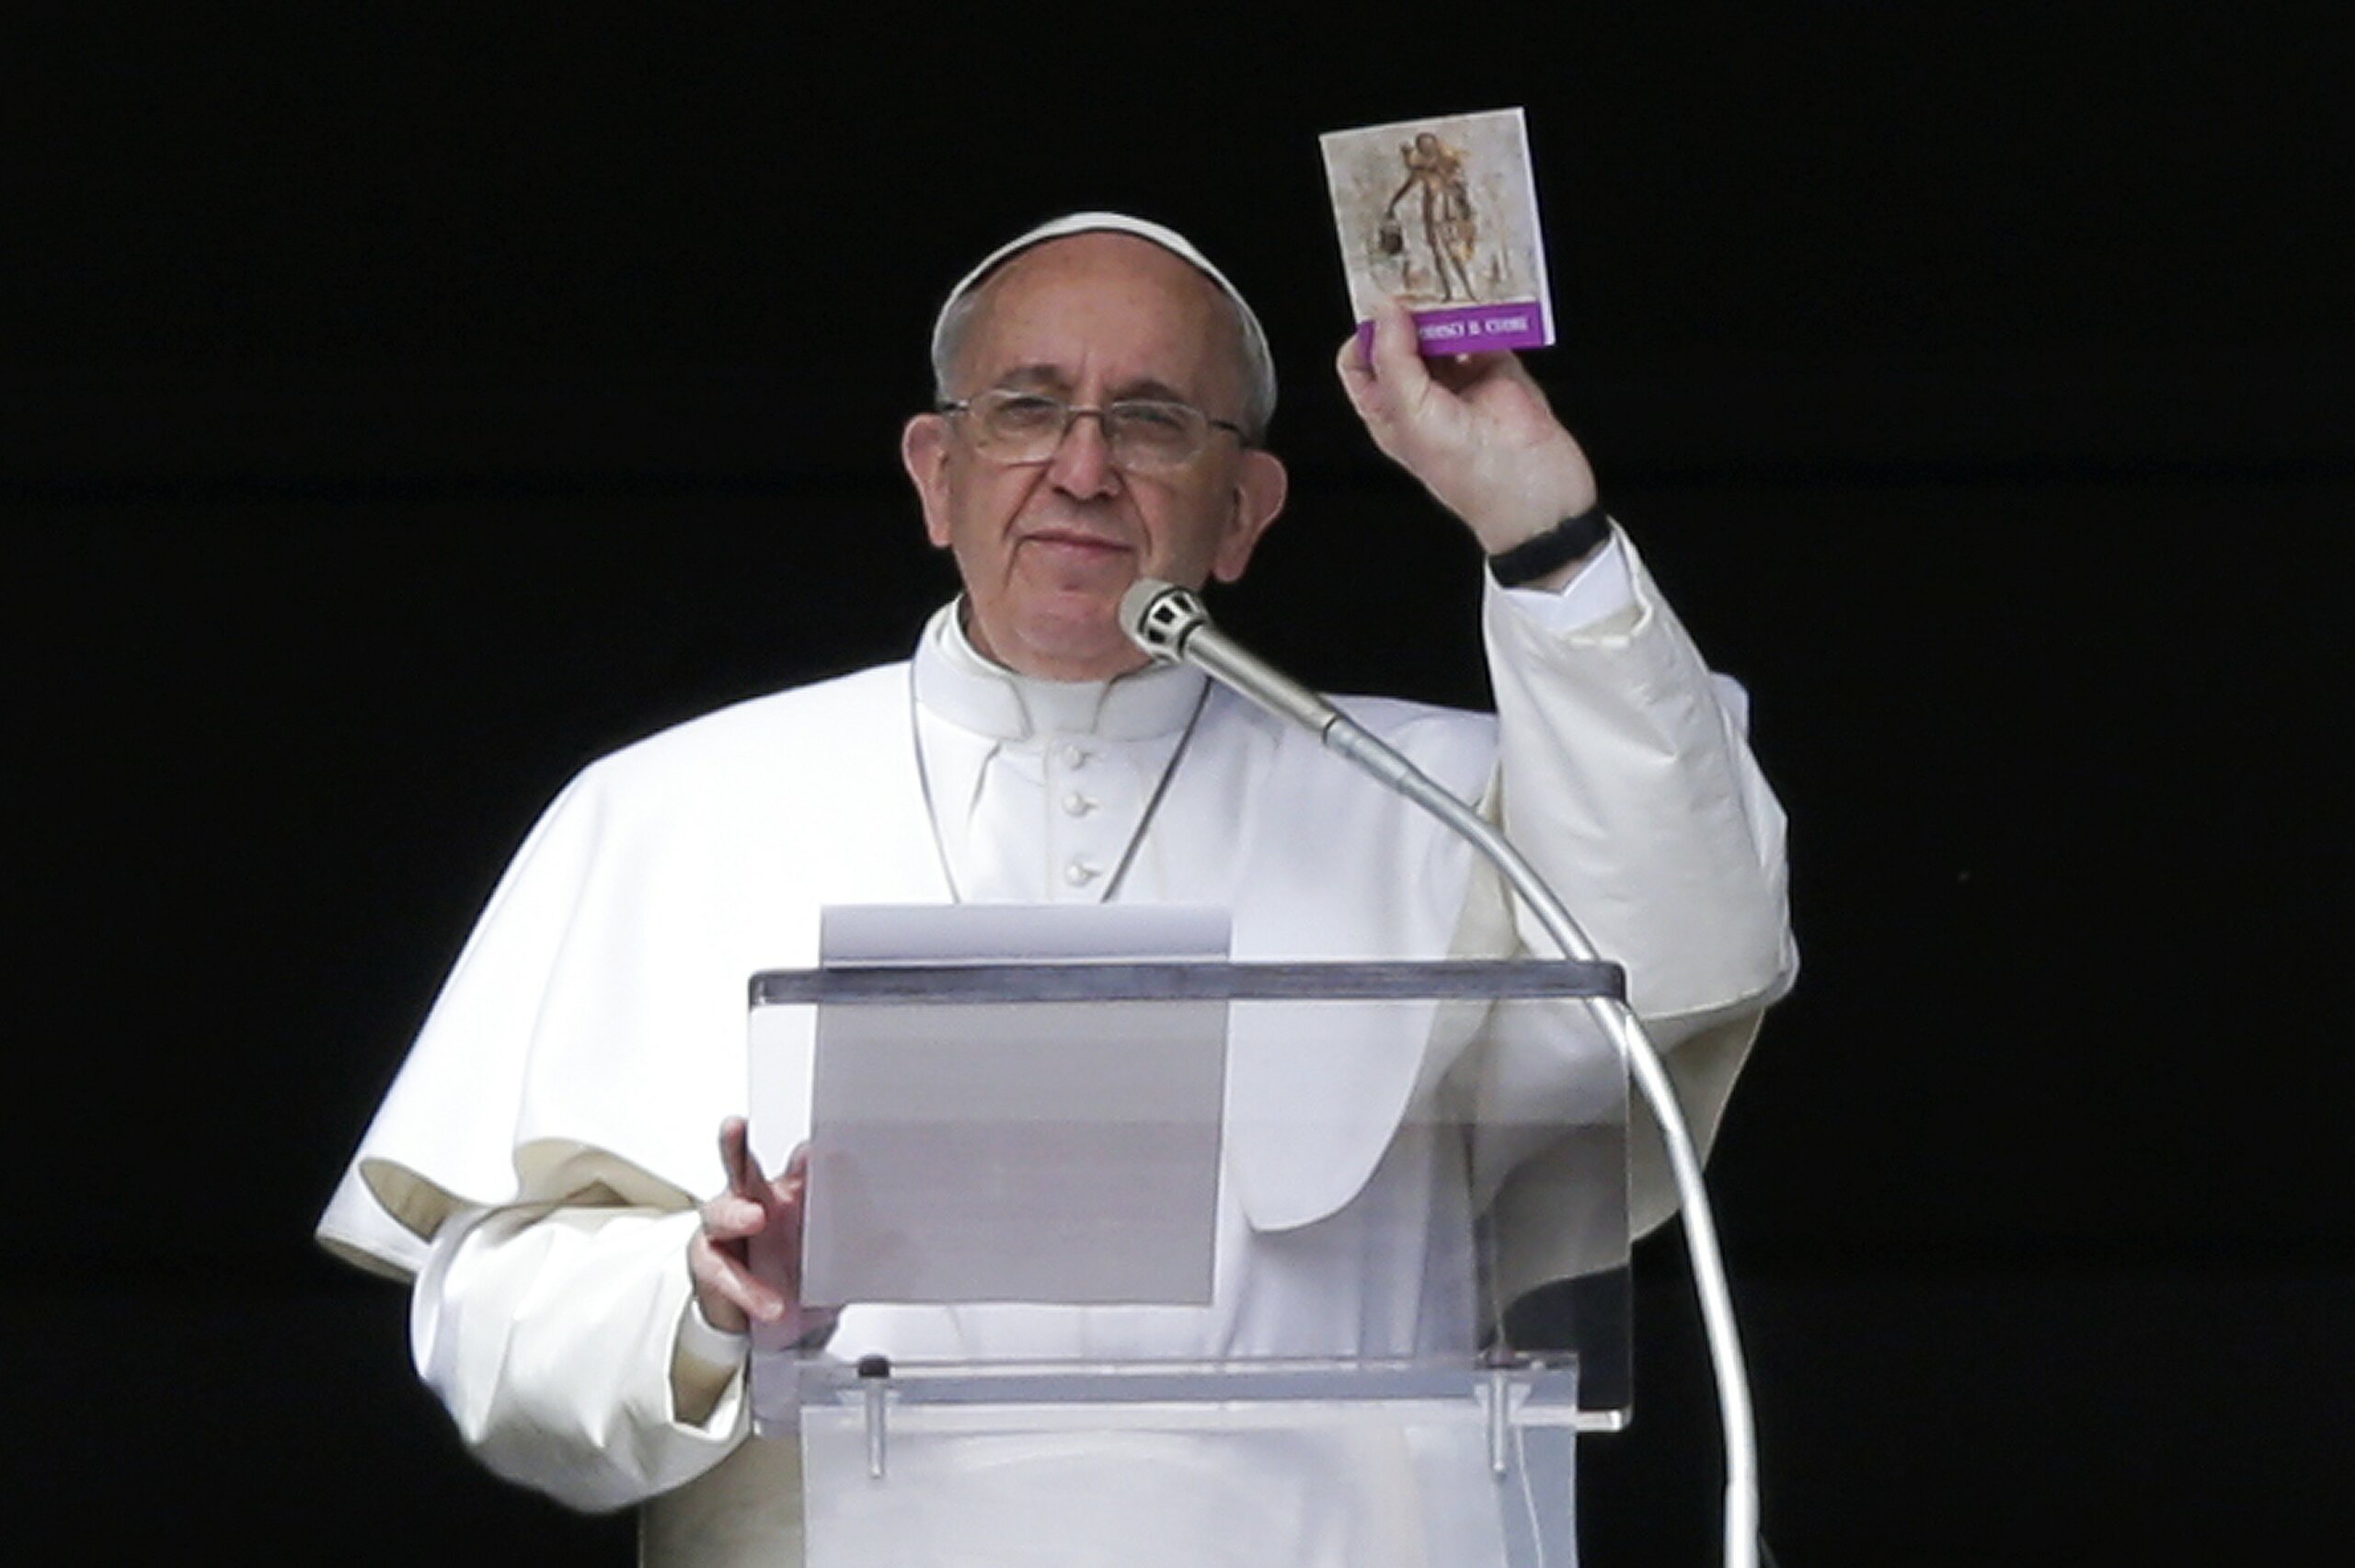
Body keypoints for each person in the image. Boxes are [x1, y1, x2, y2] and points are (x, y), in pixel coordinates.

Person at [317, 212, 1794, 1566]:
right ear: (935, 473)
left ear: (1245, 510)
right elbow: (492, 1319)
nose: (1082, 468)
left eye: (1152, 422)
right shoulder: (670, 807)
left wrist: (1540, 528)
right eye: (1027, 408)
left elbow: (1687, 936)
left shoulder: (1432, 799)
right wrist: (705, 1301)